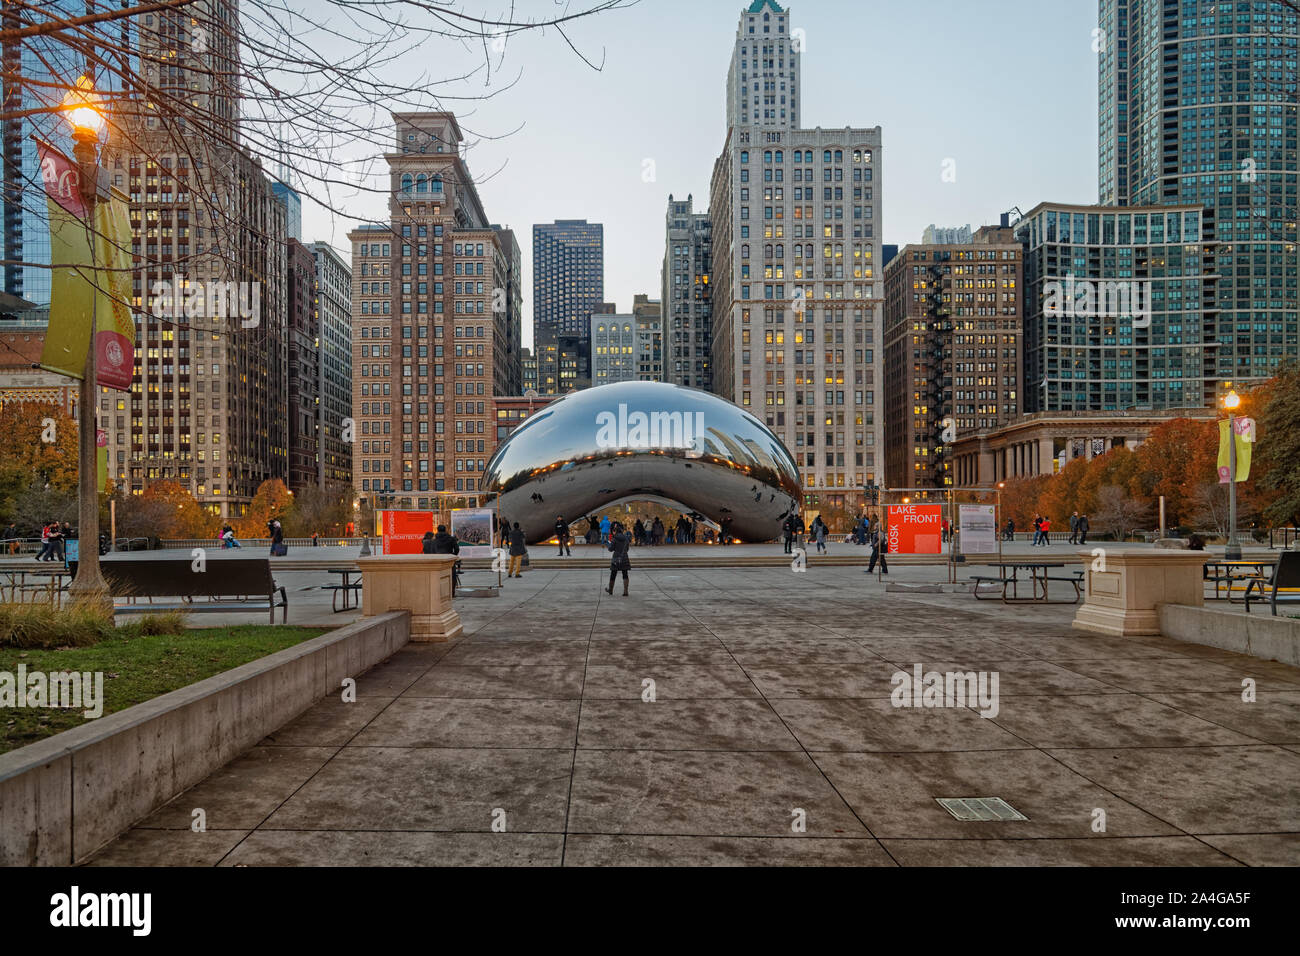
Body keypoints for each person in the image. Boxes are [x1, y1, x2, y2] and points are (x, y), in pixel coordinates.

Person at [430, 524, 461, 596]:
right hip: (448, 559)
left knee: (438, 577)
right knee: (452, 576)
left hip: (438, 559)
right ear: (445, 530)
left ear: (437, 530)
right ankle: (451, 593)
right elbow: (457, 549)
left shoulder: (434, 540)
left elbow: (432, 551)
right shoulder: (451, 539)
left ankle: (439, 593)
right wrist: (453, 555)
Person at [606, 521, 631, 596]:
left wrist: (608, 544)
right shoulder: (626, 538)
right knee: (625, 574)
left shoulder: (615, 539)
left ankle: (610, 590)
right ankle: (625, 591)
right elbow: (627, 549)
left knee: (613, 574)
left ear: (615, 531)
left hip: (616, 558)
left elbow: (610, 549)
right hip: (624, 557)